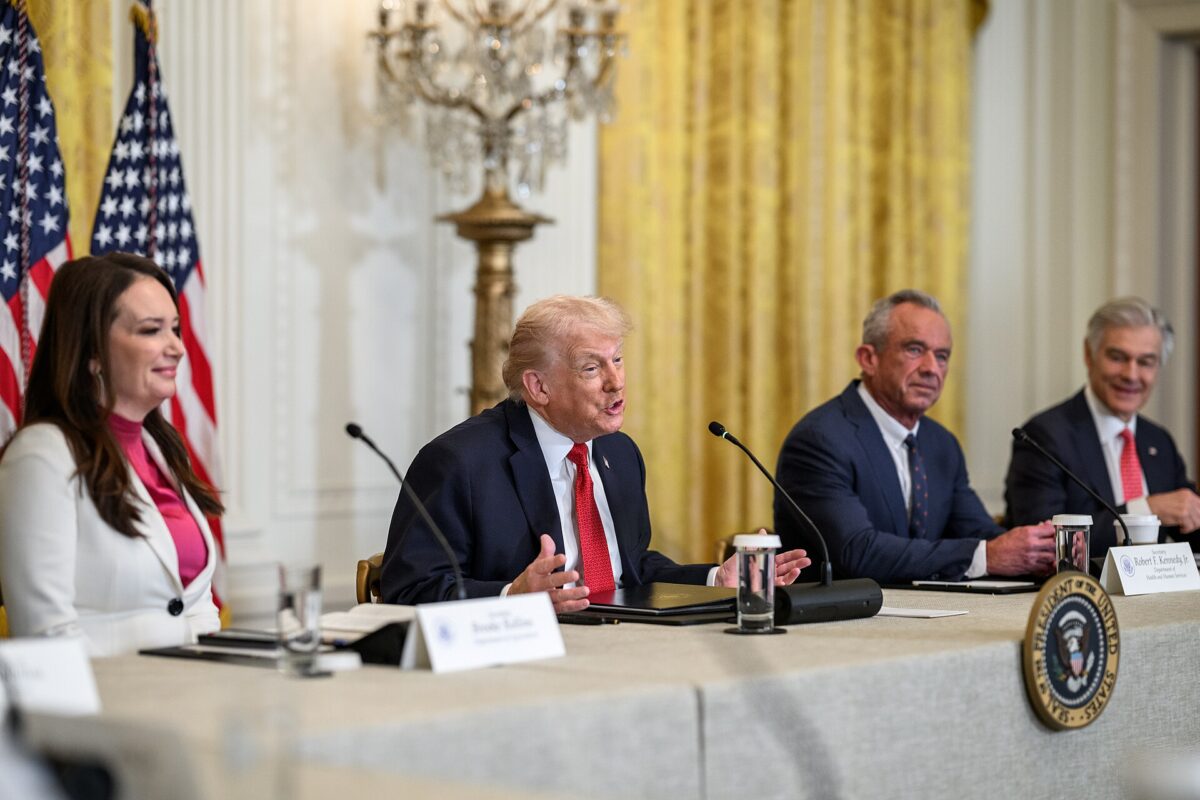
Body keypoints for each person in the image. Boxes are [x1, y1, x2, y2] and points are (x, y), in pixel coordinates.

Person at [381, 295, 810, 609]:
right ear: (538, 387)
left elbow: (631, 570)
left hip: (625, 646)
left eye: (618, 360)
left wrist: (716, 577)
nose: (615, 382)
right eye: (592, 368)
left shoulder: (618, 453)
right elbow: (411, 588)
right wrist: (513, 596)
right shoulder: (461, 462)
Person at [0, 253, 223, 656]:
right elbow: (46, 633)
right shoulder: (41, 456)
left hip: (188, 695)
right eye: (151, 330)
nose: (176, 347)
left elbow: (197, 604)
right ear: (93, 353)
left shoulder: (166, 451)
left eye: (175, 328)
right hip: (97, 707)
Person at [774, 290, 1056, 584]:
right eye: (914, 350)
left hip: (930, 615)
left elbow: (977, 533)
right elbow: (855, 552)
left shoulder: (942, 444)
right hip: (837, 622)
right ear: (868, 358)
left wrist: (1035, 554)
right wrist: (989, 555)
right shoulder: (820, 440)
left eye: (942, 356)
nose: (931, 369)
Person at [1005, 297, 1199, 558]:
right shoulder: (1045, 437)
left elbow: (1190, 524)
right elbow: (1046, 545)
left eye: (1145, 362)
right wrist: (1144, 511)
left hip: (1158, 598)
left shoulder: (1159, 442)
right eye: (1117, 357)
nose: (1131, 374)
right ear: (1089, 354)